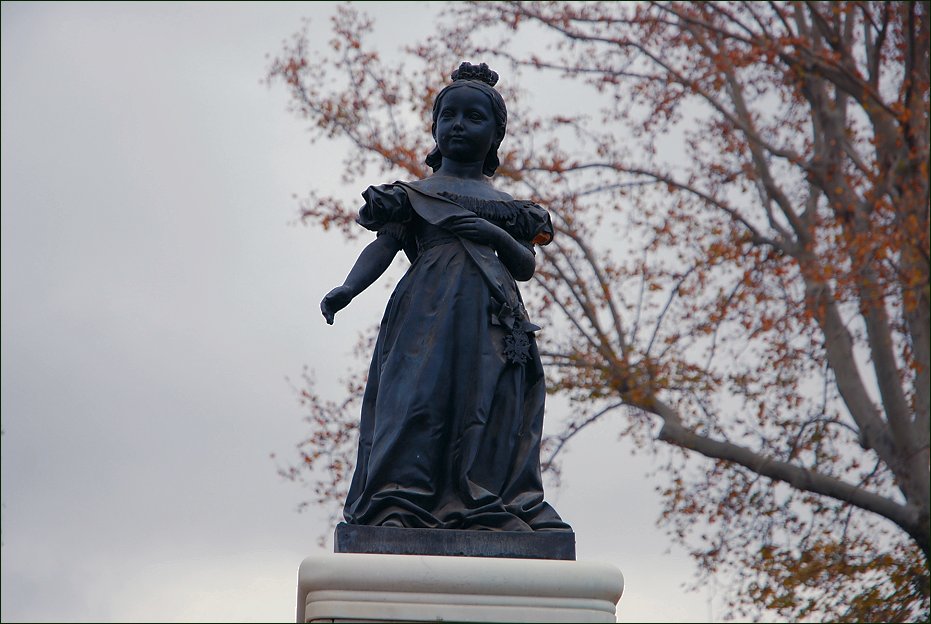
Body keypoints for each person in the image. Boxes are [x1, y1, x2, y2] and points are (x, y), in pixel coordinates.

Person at [321, 62, 570, 532]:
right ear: (434, 126)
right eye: (448, 115)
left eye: (474, 117)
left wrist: (491, 233)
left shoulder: (513, 209)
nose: (458, 125)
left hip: (493, 318)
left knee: (489, 404)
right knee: (416, 400)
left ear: (495, 134)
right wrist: (348, 289)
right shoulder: (410, 196)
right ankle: (397, 505)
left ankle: (492, 502)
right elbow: (384, 245)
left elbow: (525, 266)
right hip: (426, 314)